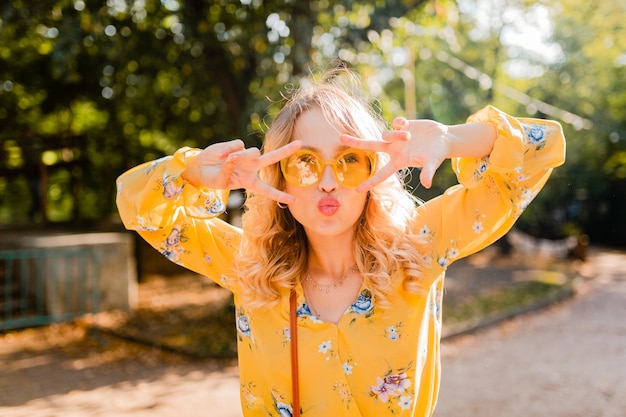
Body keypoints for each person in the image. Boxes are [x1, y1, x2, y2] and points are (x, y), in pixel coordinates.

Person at [116, 68, 566, 417]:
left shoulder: (419, 249)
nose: (328, 182)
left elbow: (538, 149)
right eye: (306, 164)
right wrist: (194, 172)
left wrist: (452, 140)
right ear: (278, 176)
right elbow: (138, 208)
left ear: (374, 171)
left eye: (349, 161)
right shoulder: (248, 265)